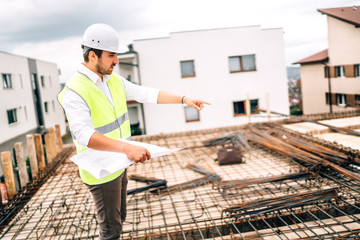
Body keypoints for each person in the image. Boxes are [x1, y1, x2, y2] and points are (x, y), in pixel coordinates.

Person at [57, 23, 209, 240]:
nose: (116, 61)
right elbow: (84, 135)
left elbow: (146, 94)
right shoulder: (74, 91)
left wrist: (184, 99)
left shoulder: (112, 81)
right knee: (111, 231)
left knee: (120, 218)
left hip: (118, 163)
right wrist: (128, 148)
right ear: (93, 55)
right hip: (100, 171)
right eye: (111, 55)